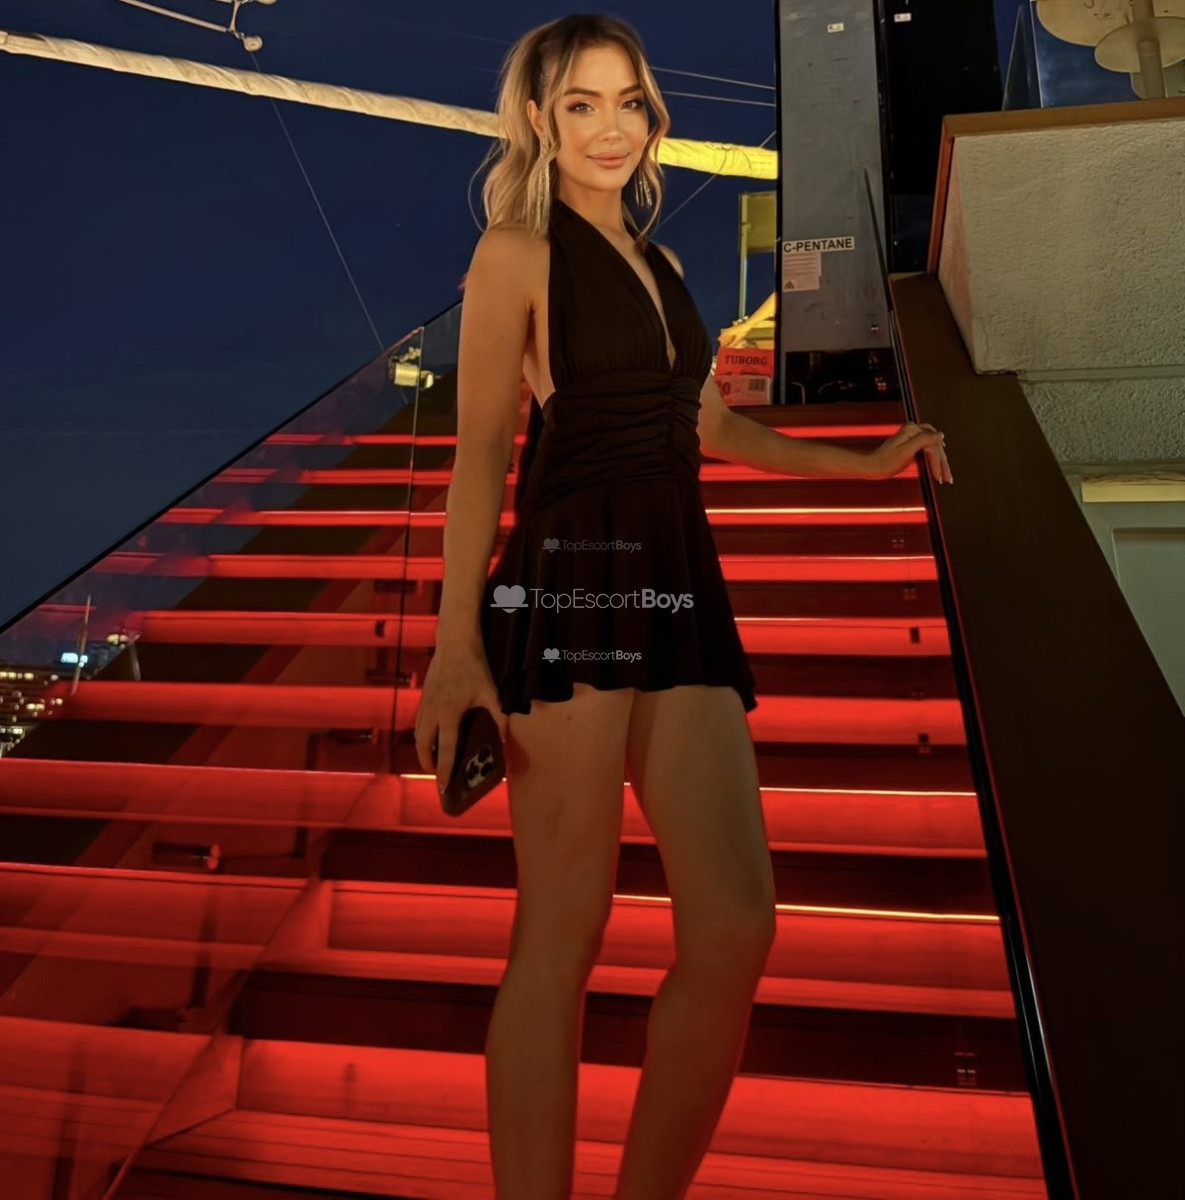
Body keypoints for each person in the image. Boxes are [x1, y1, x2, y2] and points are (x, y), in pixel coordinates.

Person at [414, 14, 951, 1199]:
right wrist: (455, 647)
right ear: (541, 122)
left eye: (628, 102)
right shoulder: (515, 250)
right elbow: (482, 450)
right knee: (565, 929)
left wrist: (861, 464)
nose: (611, 128)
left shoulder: (661, 266)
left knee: (737, 923)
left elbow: (705, 426)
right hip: (571, 574)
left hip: (676, 578)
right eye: (581, 105)